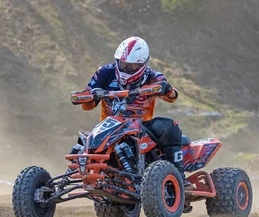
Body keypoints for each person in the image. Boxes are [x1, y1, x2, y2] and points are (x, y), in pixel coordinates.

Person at [79, 36, 190, 186]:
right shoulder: (105, 72)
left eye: (132, 66)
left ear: (143, 64)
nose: (126, 69)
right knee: (83, 141)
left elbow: (172, 97)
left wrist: (168, 89)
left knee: (170, 127)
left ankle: (179, 179)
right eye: (123, 64)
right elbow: (87, 105)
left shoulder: (153, 77)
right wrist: (88, 96)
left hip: (141, 127)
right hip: (109, 126)